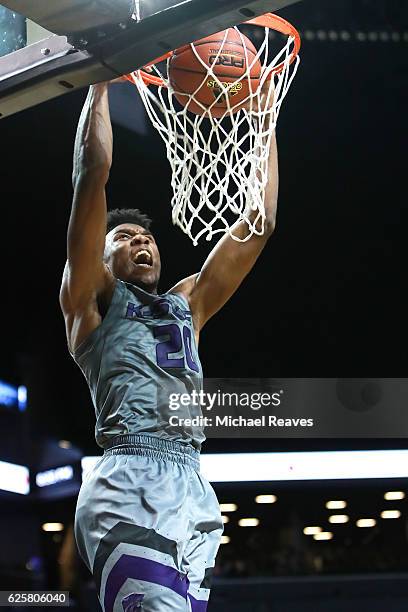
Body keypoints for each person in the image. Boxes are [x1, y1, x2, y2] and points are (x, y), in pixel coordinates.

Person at [59, 80, 278, 611]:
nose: (142, 242)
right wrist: (100, 80)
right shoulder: (89, 304)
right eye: (125, 238)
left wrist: (264, 112)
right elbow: (92, 175)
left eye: (147, 237)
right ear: (101, 259)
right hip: (128, 479)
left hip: (191, 485)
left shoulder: (188, 303)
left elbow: (261, 223)